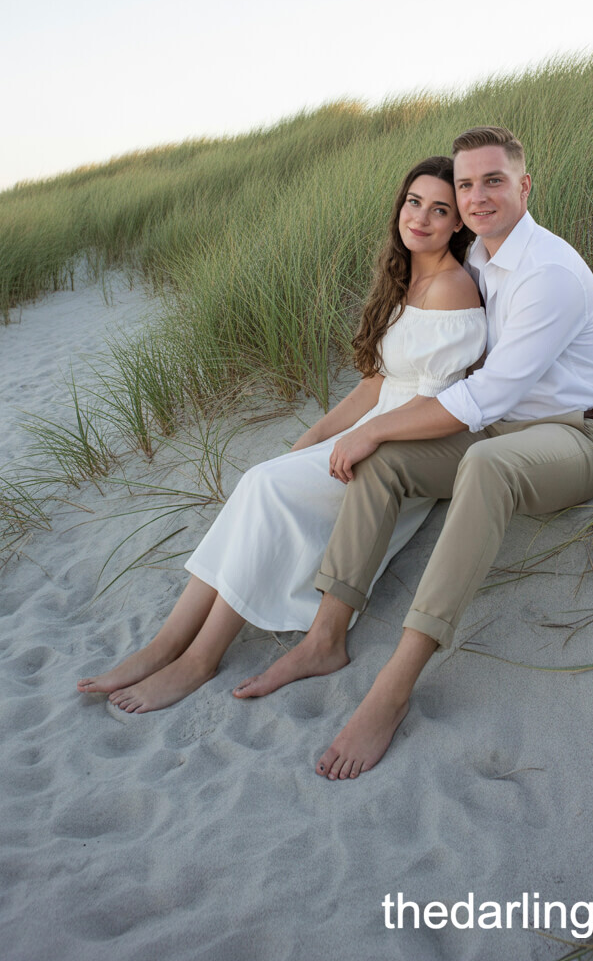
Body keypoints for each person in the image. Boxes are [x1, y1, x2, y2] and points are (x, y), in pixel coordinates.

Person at [234, 126, 593, 779]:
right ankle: (326, 637)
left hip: (572, 438)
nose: (476, 196)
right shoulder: (480, 265)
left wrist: (376, 426)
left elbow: (489, 393)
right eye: (465, 184)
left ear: (524, 186)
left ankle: (396, 681)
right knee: (384, 466)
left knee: (482, 466)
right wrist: (367, 431)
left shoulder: (546, 271)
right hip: (498, 431)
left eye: (492, 180)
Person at [77, 157, 487, 712]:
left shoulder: (452, 290)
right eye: (414, 202)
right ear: (400, 206)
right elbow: (375, 384)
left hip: (407, 443)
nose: (421, 218)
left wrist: (366, 438)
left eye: (440, 210)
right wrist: (317, 433)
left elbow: (437, 402)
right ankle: (165, 645)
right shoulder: (404, 276)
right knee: (260, 481)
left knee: (264, 488)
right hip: (376, 426)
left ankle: (198, 658)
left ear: (458, 223)